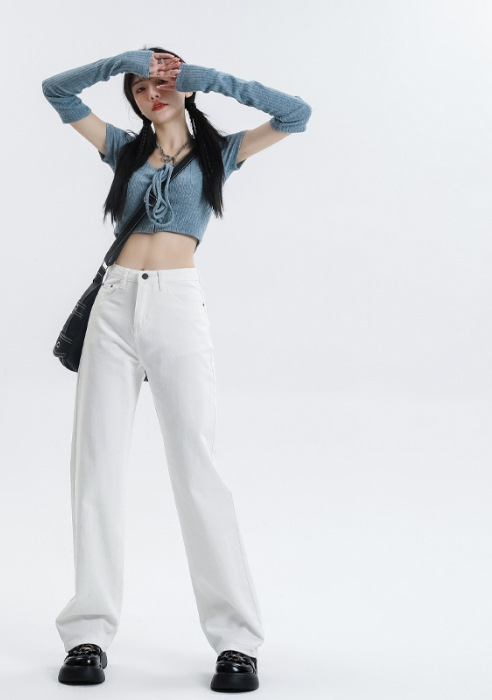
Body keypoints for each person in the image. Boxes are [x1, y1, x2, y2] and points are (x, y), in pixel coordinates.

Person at [42, 46, 311, 693]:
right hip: (114, 307)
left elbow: (296, 114)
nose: (151, 91)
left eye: (162, 81)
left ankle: (237, 641)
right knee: (96, 466)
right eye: (140, 86)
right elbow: (56, 90)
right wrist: (121, 62)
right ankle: (87, 633)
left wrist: (207, 77)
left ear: (185, 87)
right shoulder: (122, 151)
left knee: (198, 468)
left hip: (177, 305)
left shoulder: (220, 155)